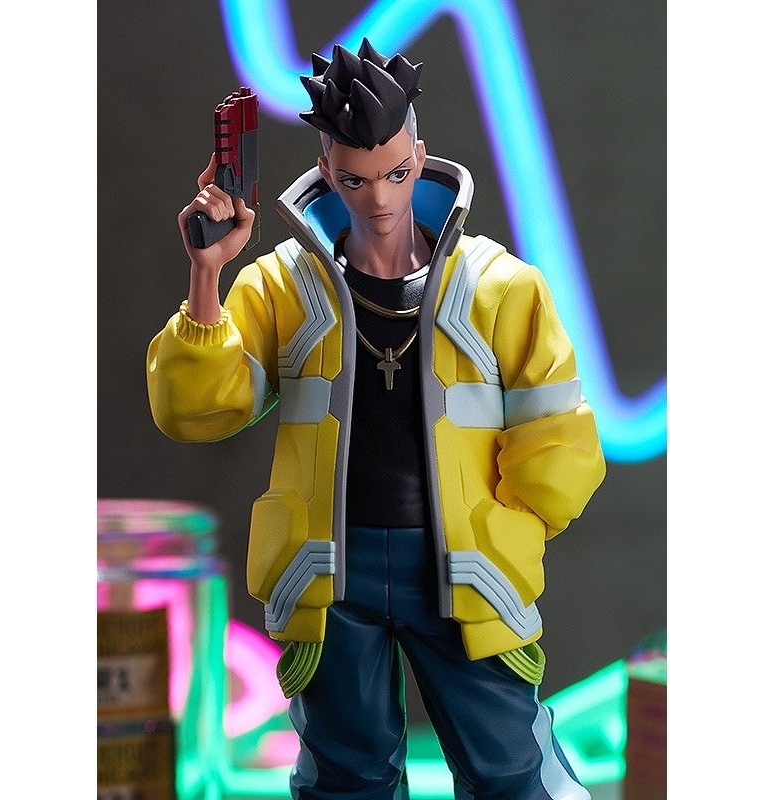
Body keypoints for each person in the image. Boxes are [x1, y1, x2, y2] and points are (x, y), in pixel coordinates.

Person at [147, 38, 606, 800]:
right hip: (333, 573)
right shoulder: (285, 288)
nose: (380, 199)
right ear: (328, 173)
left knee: (507, 766)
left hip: (462, 566)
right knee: (346, 776)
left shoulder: (499, 288)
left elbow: (559, 434)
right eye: (357, 179)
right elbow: (197, 408)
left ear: (420, 159)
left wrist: (508, 528)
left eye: (395, 173)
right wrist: (207, 273)